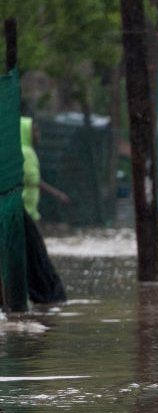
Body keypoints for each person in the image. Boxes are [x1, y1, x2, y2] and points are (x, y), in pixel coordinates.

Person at [19, 116, 66, 304]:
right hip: (25, 210)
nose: (38, 134)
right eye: (35, 130)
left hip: (30, 208)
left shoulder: (28, 151)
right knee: (35, 252)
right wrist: (57, 193)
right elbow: (33, 180)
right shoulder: (25, 152)